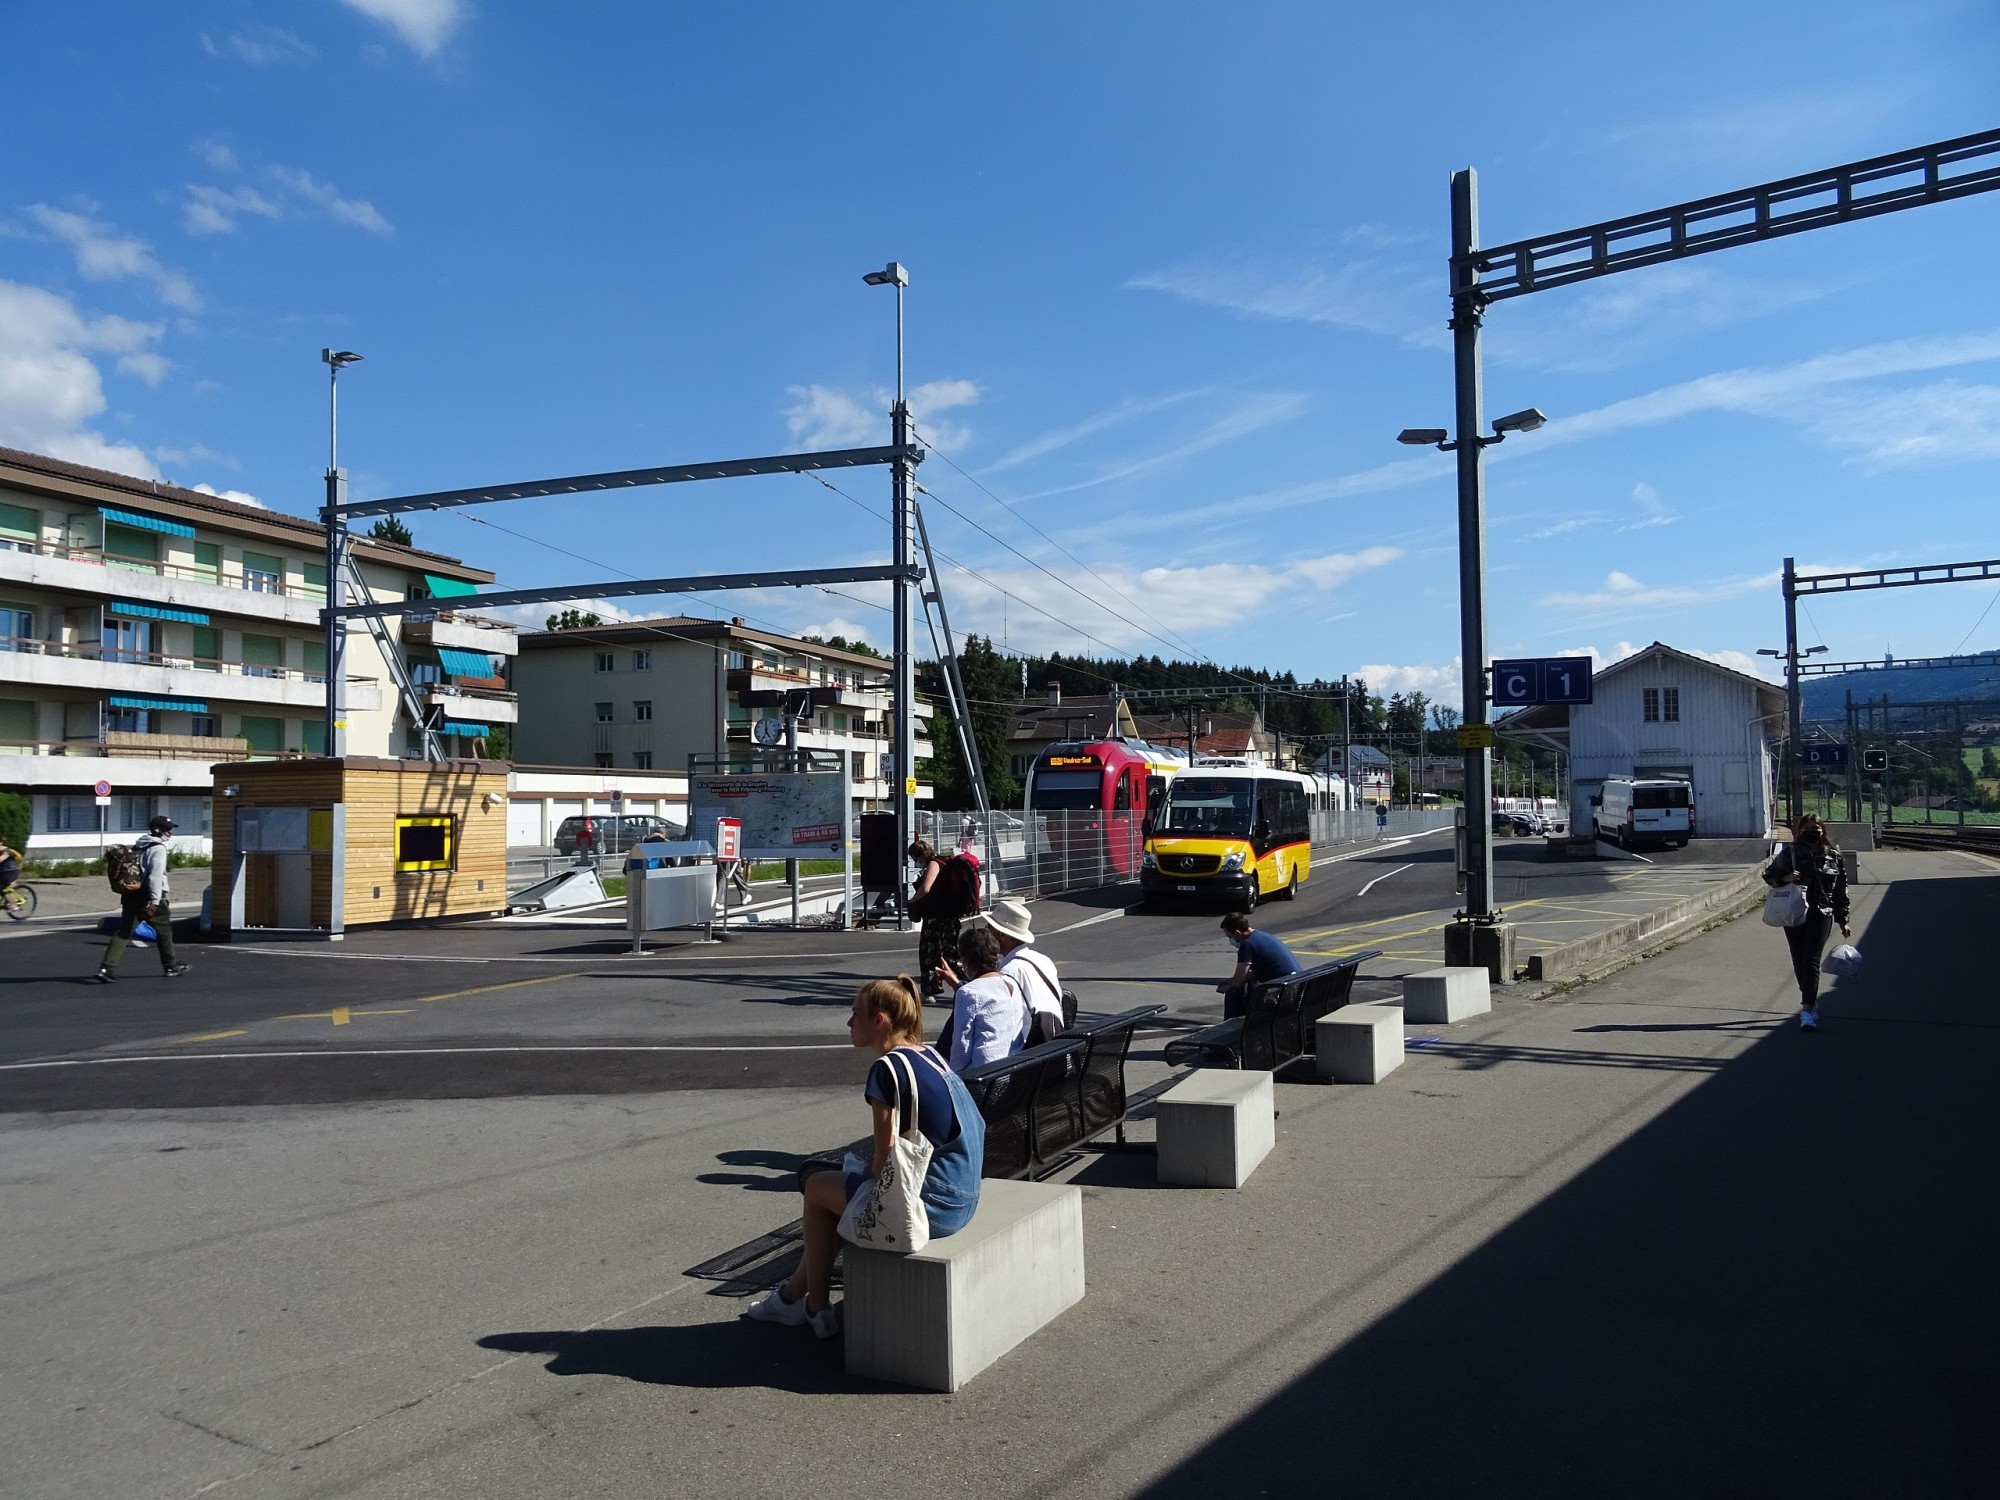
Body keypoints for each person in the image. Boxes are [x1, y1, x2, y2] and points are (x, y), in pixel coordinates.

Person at [745, 976, 984, 1338]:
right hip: (964, 1197)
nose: (849, 1022)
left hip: (932, 1209)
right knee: (838, 1191)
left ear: (880, 1020)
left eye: (855, 1013)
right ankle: (795, 1298)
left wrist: (860, 1175)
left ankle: (813, 1306)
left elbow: (884, 1161)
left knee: (815, 1187)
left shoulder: (886, 1070)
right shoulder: (931, 1056)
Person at [932, 896, 1068, 1045]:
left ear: (1003, 935)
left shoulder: (1009, 972)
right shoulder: (1043, 960)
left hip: (1027, 1052)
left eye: (990, 927)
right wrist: (957, 983)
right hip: (1052, 1047)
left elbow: (986, 1005)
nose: (986, 930)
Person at [1762, 813, 1851, 1031]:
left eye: (1816, 827)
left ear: (1823, 830)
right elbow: (1769, 876)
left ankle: (1807, 1009)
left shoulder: (1833, 857)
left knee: (1811, 959)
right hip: (1794, 913)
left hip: (1822, 913)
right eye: (1808, 827)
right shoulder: (1790, 853)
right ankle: (1809, 997)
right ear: (1800, 831)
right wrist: (1786, 878)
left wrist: (1843, 920)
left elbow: (1841, 890)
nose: (1812, 831)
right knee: (1799, 960)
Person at [95, 815, 189, 983]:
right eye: (168, 829)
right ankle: (170, 966)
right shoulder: (158, 849)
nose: (171, 832)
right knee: (164, 931)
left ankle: (105, 968)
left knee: (124, 931)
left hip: (131, 894)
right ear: (157, 830)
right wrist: (154, 901)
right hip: (149, 895)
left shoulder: (139, 844)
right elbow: (155, 876)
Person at [939, 925, 1030, 1070]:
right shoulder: (1011, 983)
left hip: (982, 1075)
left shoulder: (968, 992)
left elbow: (961, 1048)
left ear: (967, 961)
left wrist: (951, 1077)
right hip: (1012, 1068)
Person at [906, 837, 963, 1002]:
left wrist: (913, 900)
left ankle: (929, 991)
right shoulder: (944, 862)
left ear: (921, 855)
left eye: (916, 858)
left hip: (936, 917)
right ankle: (966, 981)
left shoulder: (933, 864)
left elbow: (926, 888)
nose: (916, 862)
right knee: (950, 952)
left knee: (928, 952)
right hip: (949, 916)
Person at [1216, 911, 1301, 1017]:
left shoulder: (1247, 944)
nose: (1230, 939)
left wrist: (1229, 985)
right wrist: (1231, 980)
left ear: (1237, 933)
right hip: (1296, 987)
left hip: (1282, 991)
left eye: (1229, 936)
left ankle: (1234, 1028)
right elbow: (1258, 973)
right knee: (1248, 987)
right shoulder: (1262, 935)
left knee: (1234, 993)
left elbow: (1239, 979)